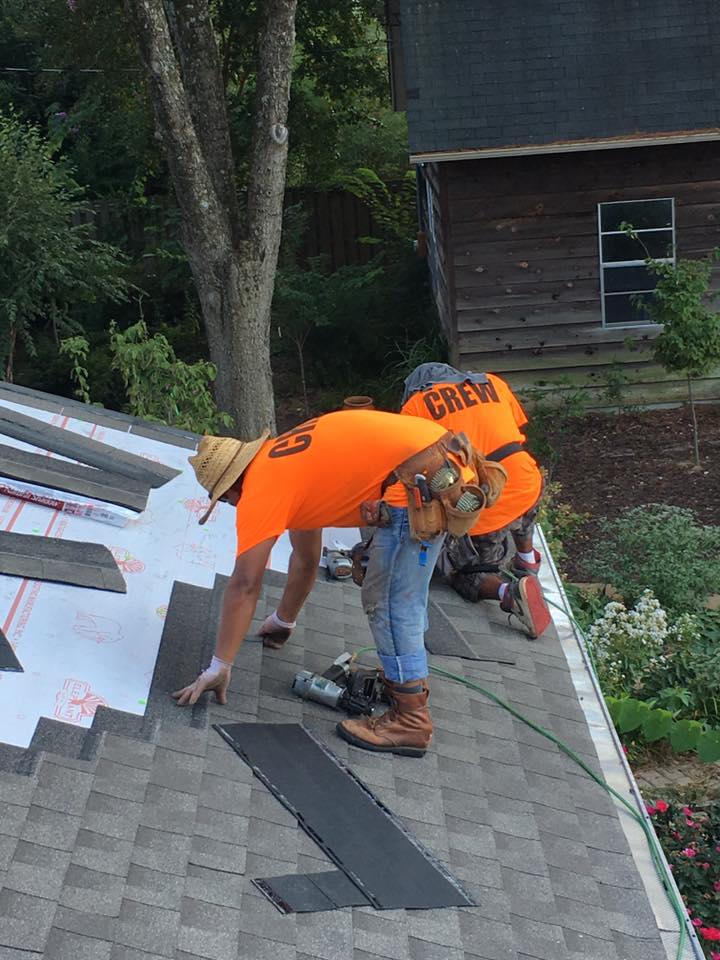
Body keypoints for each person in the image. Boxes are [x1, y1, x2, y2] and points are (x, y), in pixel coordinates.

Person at [172, 409, 489, 757]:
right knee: (403, 595)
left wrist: (220, 665)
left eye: (226, 499)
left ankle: (411, 719)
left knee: (389, 601)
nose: (232, 506)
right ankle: (408, 685)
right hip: (440, 460)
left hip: (418, 481)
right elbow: (306, 558)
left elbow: (245, 584)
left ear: (234, 484)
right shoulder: (284, 463)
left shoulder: (261, 489)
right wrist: (282, 621)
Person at [400, 363, 551, 639]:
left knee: (463, 572)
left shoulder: (416, 405)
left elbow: (416, 470)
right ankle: (527, 559)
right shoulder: (492, 382)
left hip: (485, 503)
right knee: (520, 479)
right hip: (527, 483)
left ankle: (509, 593)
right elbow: (509, 432)